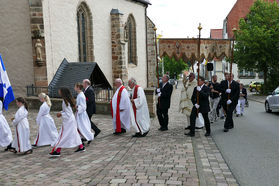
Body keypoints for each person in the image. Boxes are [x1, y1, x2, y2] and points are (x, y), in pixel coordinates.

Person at [49, 88, 84, 157]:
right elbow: (67, 111)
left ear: (63, 92)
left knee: (63, 135)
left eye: (60, 91)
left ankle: (58, 151)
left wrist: (61, 114)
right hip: (70, 120)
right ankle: (81, 146)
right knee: (73, 133)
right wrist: (61, 112)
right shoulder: (66, 101)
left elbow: (68, 113)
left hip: (69, 121)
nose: (58, 92)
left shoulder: (65, 102)